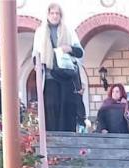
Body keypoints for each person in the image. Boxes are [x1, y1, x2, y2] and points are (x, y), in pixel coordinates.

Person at [33, 3, 84, 133]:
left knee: (67, 107)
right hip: (50, 74)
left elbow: (80, 52)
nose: (55, 16)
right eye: (52, 13)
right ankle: (52, 136)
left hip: (66, 75)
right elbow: (35, 54)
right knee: (51, 105)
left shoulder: (69, 31)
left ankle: (67, 137)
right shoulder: (40, 32)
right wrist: (37, 65)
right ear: (47, 15)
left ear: (61, 15)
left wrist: (69, 48)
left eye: (57, 13)